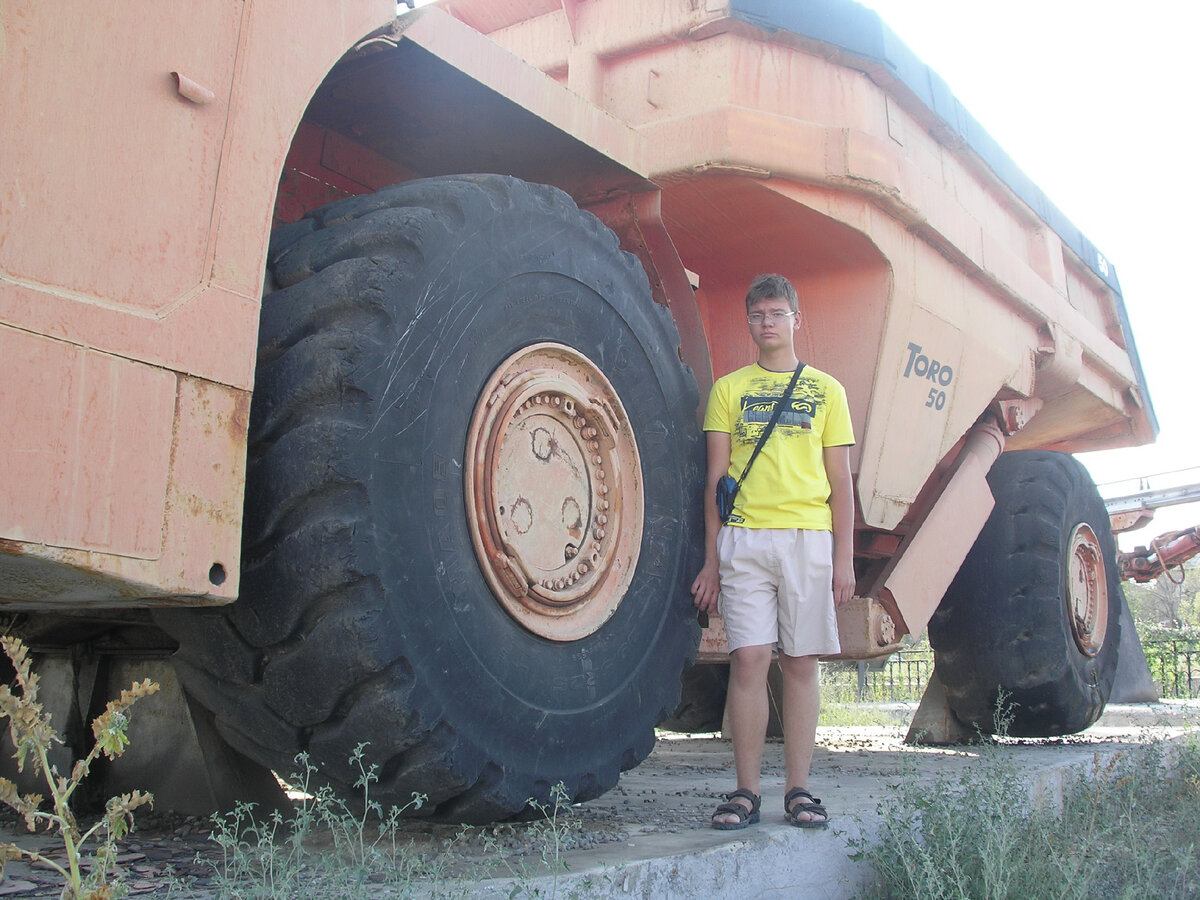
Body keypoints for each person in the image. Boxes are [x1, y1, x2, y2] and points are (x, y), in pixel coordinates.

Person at [690, 273, 855, 830]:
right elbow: (716, 480)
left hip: (808, 537)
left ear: (795, 319)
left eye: (777, 313)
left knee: (801, 662)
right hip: (745, 540)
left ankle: (800, 790)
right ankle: (745, 791)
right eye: (758, 314)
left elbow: (841, 481)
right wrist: (711, 561)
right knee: (749, 661)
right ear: (748, 322)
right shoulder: (728, 390)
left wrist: (845, 560)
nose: (767, 324)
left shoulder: (827, 391)